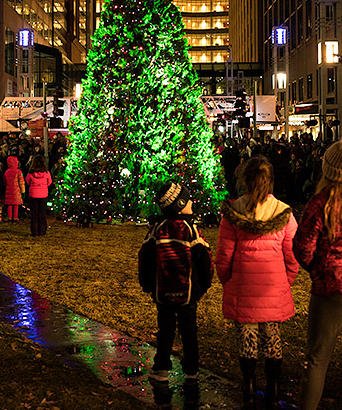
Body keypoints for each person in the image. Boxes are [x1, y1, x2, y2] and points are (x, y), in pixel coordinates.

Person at [215, 155, 299, 408]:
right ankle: (273, 388)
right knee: (273, 338)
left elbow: (223, 257)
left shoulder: (233, 213)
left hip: (244, 284)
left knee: (247, 339)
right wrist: (286, 282)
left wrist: (228, 282)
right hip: (273, 286)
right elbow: (292, 256)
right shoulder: (283, 213)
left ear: (245, 180)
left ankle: (249, 384)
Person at [138, 181, 213, 383]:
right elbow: (205, 259)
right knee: (189, 331)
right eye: (188, 201)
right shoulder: (191, 230)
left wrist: (146, 285)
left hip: (162, 292)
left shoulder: (157, 230)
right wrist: (204, 285)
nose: (192, 203)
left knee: (166, 330)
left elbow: (145, 258)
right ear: (179, 205)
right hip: (188, 293)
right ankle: (191, 370)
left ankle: (161, 368)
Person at [293, 140, 342, 410]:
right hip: (329, 282)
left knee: (318, 358)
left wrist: (318, 269)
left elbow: (303, 246)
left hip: (330, 286)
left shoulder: (321, 203)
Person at [25, 155, 52, 237]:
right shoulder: (47, 173)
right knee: (42, 214)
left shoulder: (30, 174)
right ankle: (42, 231)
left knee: (34, 214)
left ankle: (35, 231)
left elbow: (27, 182)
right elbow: (49, 182)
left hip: (33, 195)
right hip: (43, 195)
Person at [3, 155, 25, 223]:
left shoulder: (6, 172)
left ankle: (9, 217)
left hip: (9, 190)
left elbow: (4, 181)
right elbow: (21, 182)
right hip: (16, 191)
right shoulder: (18, 172)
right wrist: (23, 191)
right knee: (16, 204)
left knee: (9, 204)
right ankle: (15, 217)